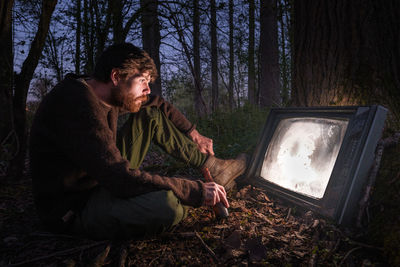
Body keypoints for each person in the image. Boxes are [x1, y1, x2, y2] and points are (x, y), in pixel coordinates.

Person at [29, 43, 247, 240]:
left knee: (149, 116)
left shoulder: (106, 92)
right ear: (116, 76)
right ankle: (181, 189)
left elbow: (157, 104)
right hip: (76, 206)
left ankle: (213, 167)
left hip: (101, 177)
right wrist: (192, 190)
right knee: (168, 207)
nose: (147, 89)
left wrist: (194, 133)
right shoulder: (77, 104)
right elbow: (119, 177)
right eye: (142, 80)